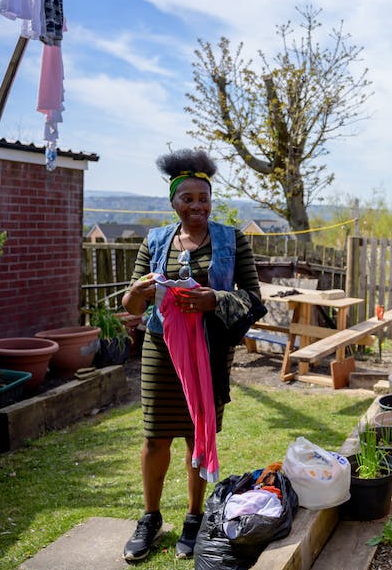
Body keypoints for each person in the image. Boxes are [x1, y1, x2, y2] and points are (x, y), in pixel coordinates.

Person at [121, 148, 262, 561]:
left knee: (197, 435)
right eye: (188, 199)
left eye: (204, 198)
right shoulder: (156, 241)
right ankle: (149, 518)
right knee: (155, 436)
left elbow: (253, 298)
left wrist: (212, 300)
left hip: (210, 352)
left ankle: (194, 517)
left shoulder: (231, 240)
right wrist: (136, 293)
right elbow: (132, 304)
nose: (197, 206)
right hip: (161, 351)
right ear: (173, 203)